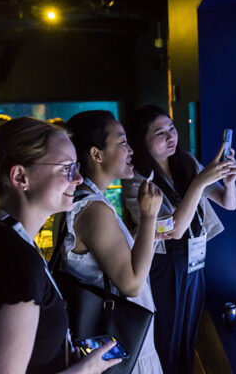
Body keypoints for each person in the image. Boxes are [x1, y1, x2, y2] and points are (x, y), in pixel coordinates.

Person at [0, 117, 120, 374]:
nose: (79, 178)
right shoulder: (13, 260)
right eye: (66, 168)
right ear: (20, 177)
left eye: (77, 167)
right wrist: (85, 369)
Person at [123, 104, 236, 374]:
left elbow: (228, 202)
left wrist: (230, 180)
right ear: (143, 140)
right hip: (164, 264)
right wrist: (199, 183)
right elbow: (172, 230)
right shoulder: (137, 180)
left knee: (189, 334)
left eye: (172, 129)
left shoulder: (186, 162)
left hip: (195, 258)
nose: (170, 136)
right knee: (167, 336)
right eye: (160, 133)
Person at [59, 110, 165, 373]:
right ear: (96, 154)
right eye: (122, 142)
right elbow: (131, 284)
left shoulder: (84, 200)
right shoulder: (92, 208)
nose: (130, 150)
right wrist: (149, 215)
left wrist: (146, 237)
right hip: (122, 350)